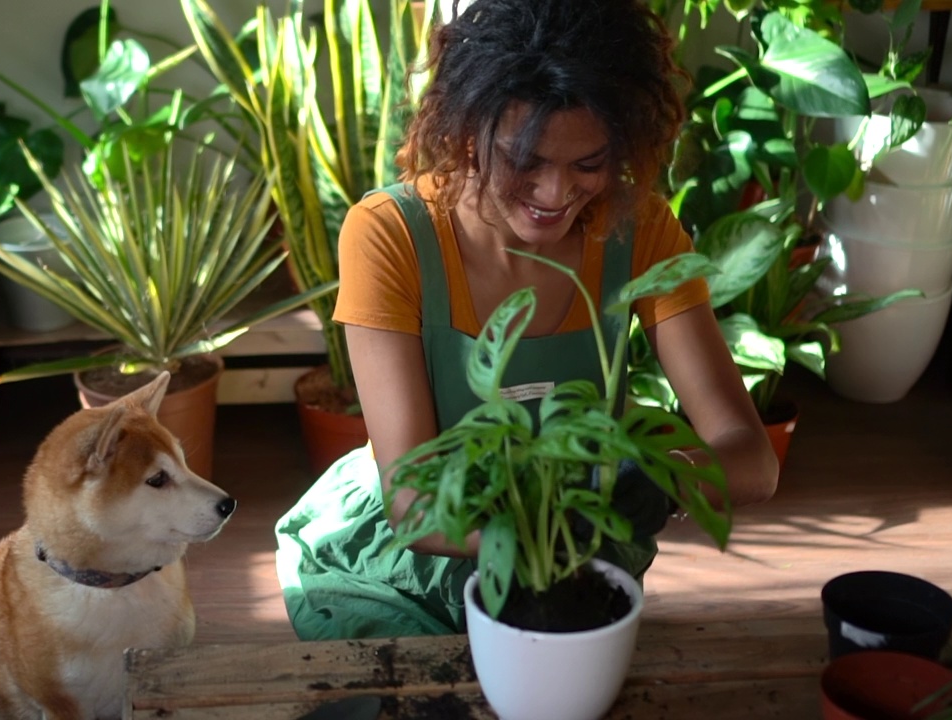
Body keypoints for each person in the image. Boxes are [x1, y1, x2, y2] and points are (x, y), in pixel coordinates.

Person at [275, 0, 779, 641]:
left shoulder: (640, 229)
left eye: (589, 164)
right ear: (464, 131)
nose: (555, 194)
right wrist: (552, 535)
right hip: (409, 562)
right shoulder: (390, 236)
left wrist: (665, 477)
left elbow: (753, 460)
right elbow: (416, 507)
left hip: (573, 554)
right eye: (524, 161)